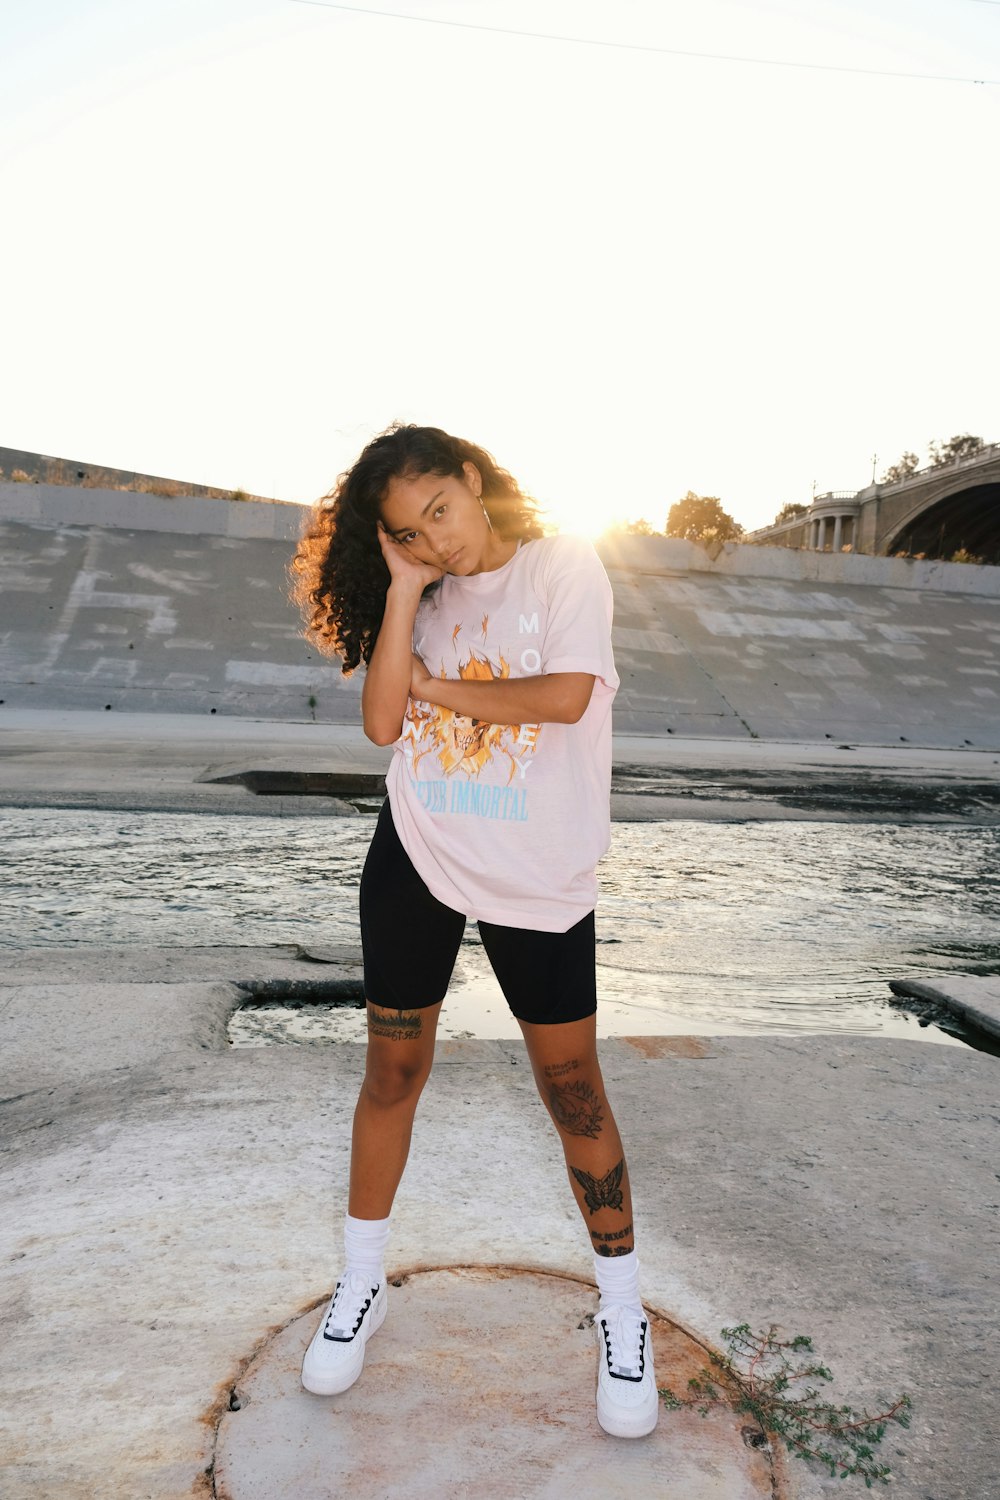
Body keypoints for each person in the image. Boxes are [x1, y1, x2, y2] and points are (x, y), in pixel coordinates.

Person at [290, 423, 658, 1439]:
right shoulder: (425, 594)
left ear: (472, 479)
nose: (438, 540)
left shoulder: (562, 566)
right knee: (392, 1074)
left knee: (572, 1085)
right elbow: (379, 726)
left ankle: (620, 1313)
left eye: (440, 512)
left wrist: (440, 689)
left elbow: (567, 697)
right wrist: (405, 594)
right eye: (409, 532)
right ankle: (360, 1285)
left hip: (539, 869)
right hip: (418, 851)